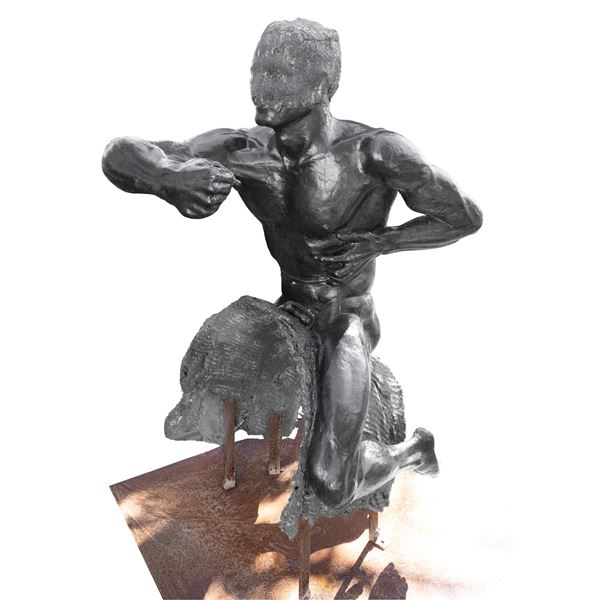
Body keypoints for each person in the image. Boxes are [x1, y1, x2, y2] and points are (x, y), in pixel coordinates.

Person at [102, 18, 482, 510]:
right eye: (258, 70)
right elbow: (120, 152)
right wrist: (166, 177)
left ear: (322, 84)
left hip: (343, 319)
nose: (262, 85)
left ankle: (412, 450)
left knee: (331, 482)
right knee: (207, 374)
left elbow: (463, 216)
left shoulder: (374, 152)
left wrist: (382, 241)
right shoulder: (243, 150)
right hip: (286, 308)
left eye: (280, 73)